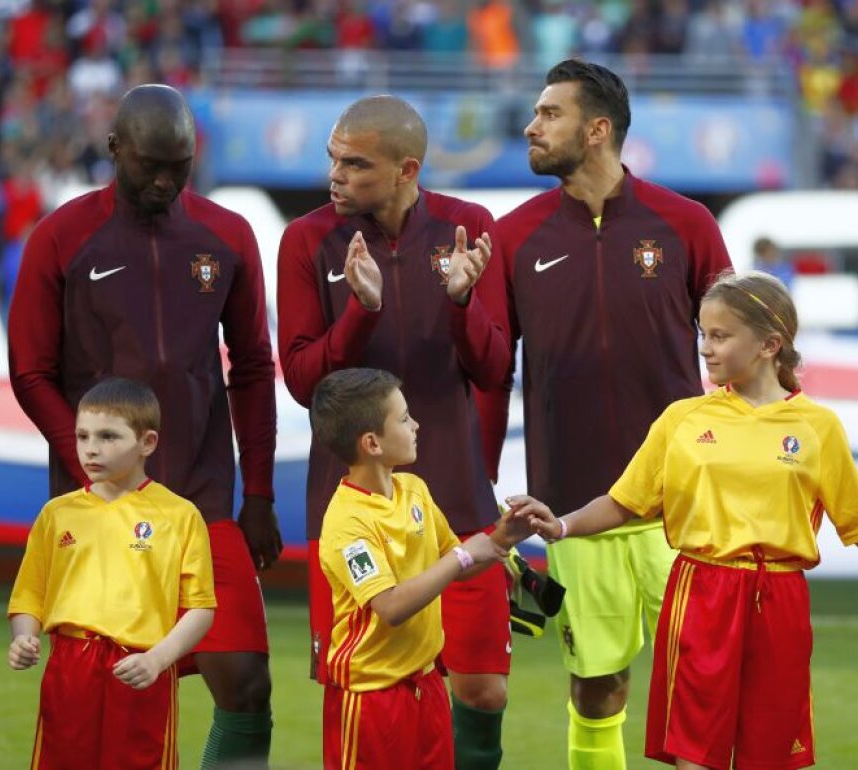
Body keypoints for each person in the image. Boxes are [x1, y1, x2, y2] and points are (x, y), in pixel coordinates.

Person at [507, 271, 858, 770]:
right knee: (697, 757)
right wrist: (560, 525)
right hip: (700, 593)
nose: (705, 349)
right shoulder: (683, 419)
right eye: (702, 335)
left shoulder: (817, 426)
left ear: (769, 344)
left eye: (720, 336)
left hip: (781, 600)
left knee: (771, 757)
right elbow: (625, 501)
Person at [8, 84, 279, 767]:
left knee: (246, 685)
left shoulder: (228, 235)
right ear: (114, 151)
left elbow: (251, 367)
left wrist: (263, 495)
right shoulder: (60, 236)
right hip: (99, 506)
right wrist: (89, 457)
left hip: (204, 496)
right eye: (149, 165)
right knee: (109, 696)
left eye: (178, 167)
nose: (163, 180)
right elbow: (32, 370)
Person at [475, 58, 733, 770]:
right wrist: (481, 485)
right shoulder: (513, 236)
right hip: (573, 508)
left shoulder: (686, 224)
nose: (532, 126)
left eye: (548, 114)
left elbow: (740, 355)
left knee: (705, 685)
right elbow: (492, 375)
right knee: (597, 685)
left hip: (681, 505)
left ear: (596, 130)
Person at [276, 94, 512, 767]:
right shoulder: (306, 240)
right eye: (333, 159)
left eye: (356, 163)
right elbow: (301, 379)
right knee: (366, 681)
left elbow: (495, 368)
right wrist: (361, 313)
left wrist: (465, 301)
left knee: (482, 689)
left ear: (407, 168)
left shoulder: (467, 227)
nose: (336, 175)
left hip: (456, 498)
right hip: (357, 506)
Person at [309, 368, 531, 769]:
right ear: (372, 443)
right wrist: (464, 556)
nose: (416, 424)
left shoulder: (414, 489)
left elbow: (451, 559)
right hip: (370, 697)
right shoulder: (346, 522)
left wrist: (501, 539)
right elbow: (391, 607)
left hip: (425, 683)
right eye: (404, 417)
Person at [8, 377, 216, 769]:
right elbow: (30, 596)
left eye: (108, 436)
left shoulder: (180, 515)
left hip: (140, 666)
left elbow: (201, 608)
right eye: (82, 436)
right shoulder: (58, 514)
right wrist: (24, 637)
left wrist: (157, 660)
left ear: (147, 443)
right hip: (70, 664)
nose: (91, 448)